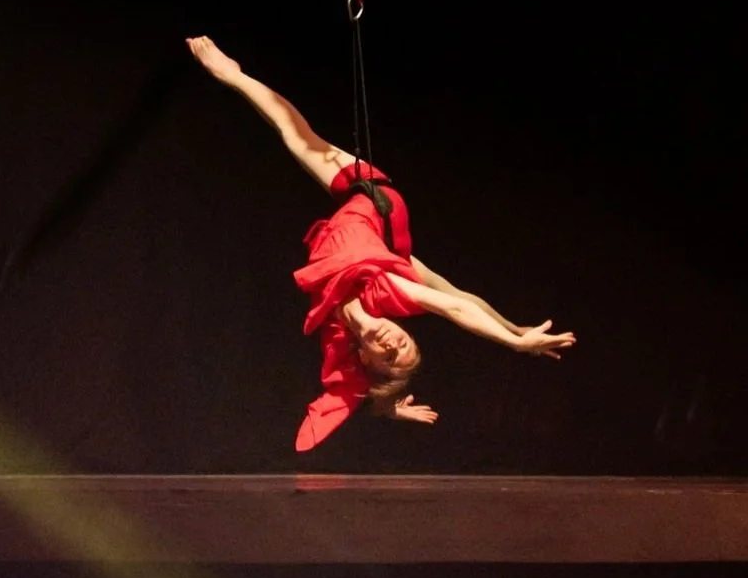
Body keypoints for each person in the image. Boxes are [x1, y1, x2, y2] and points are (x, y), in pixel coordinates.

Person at [185, 36, 575, 451]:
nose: (392, 342)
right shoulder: (386, 291)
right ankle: (234, 75)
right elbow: (456, 307)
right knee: (296, 135)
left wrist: (385, 406)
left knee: (450, 287)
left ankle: (232, 76)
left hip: (382, 238)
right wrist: (516, 338)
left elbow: (352, 388)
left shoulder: (338, 335)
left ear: (365, 359)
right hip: (374, 199)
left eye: (387, 356)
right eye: (403, 343)